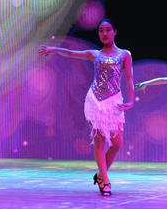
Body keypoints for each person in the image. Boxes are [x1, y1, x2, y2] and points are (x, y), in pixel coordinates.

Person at [39, 19, 134, 196]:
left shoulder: (124, 55)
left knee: (117, 143)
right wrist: (54, 49)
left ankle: (100, 175)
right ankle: (105, 181)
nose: (104, 33)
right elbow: (71, 53)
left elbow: (129, 78)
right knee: (100, 141)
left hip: (114, 102)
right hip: (95, 101)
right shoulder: (94, 54)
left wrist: (131, 100)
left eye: (108, 30)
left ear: (114, 32)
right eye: (101, 30)